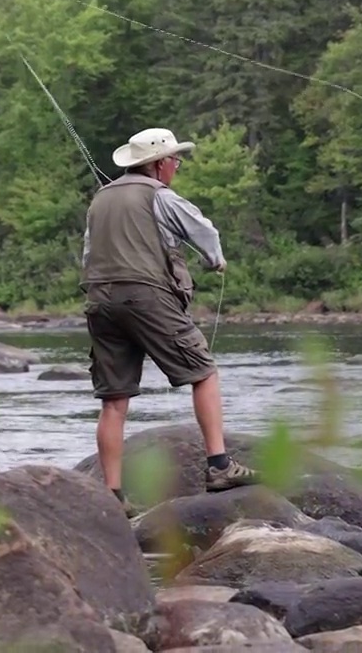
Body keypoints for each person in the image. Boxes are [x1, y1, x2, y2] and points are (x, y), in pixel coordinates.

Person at [80, 127, 259, 515]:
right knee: (204, 372)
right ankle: (220, 466)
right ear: (160, 164)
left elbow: (88, 254)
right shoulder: (160, 196)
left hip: (99, 300)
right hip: (146, 296)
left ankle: (112, 497)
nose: (176, 167)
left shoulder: (98, 201)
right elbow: (203, 231)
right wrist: (216, 261)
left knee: (114, 400)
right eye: (175, 161)